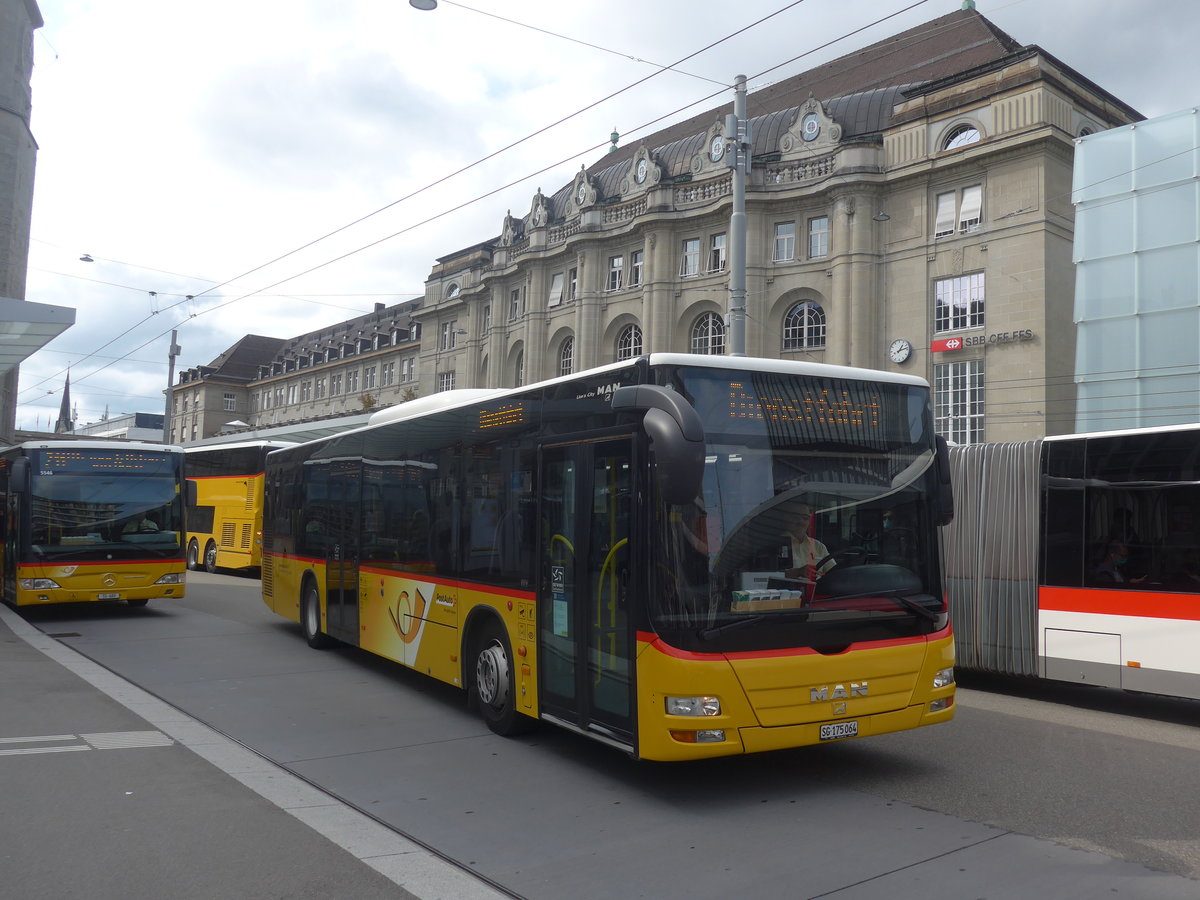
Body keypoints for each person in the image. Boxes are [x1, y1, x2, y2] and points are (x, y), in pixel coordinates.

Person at [783, 503, 834, 581]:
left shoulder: (818, 546)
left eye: (805, 518)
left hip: (816, 591)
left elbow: (833, 572)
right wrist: (798, 572)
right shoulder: (775, 544)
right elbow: (765, 575)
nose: (801, 521)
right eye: (795, 517)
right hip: (787, 592)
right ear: (786, 518)